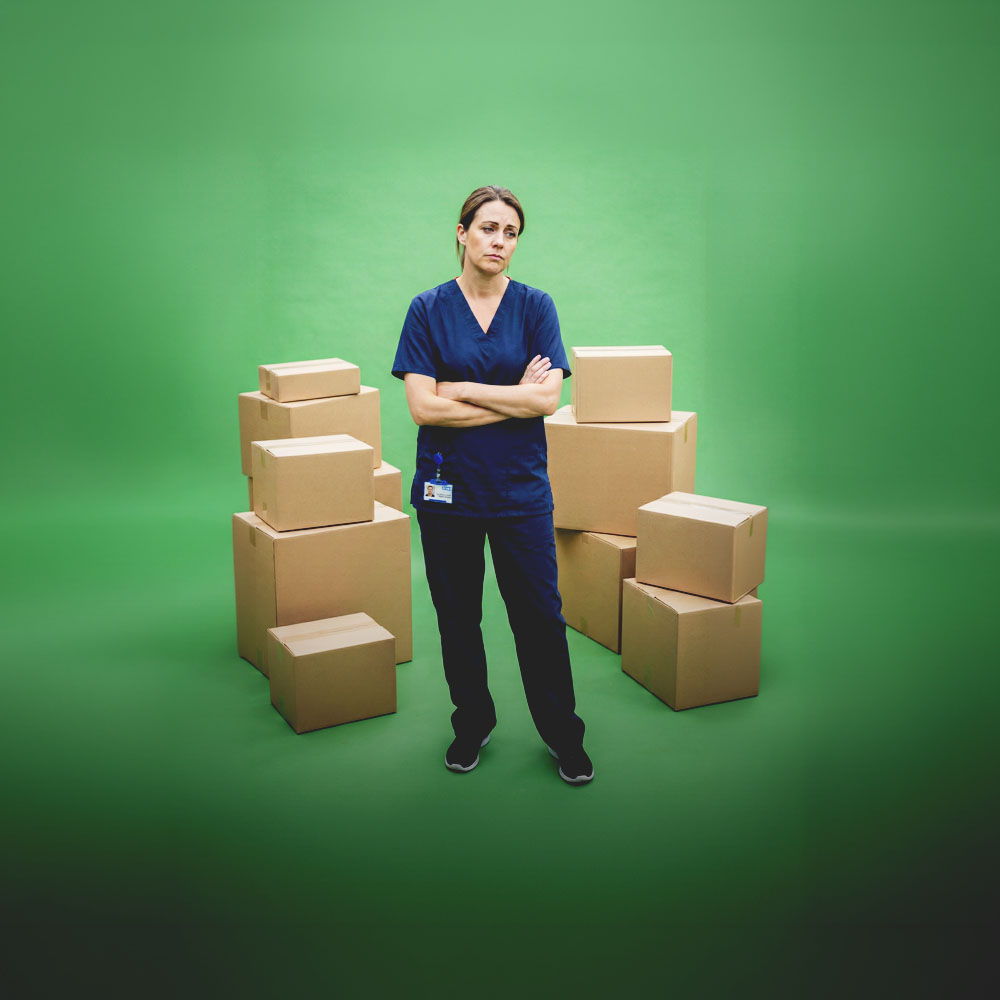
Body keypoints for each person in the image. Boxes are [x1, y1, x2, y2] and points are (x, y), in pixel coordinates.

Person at [391, 185, 593, 785]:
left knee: (539, 617)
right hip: (446, 493)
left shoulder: (536, 308)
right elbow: (423, 410)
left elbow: (550, 398)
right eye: (487, 228)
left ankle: (563, 735)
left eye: (510, 233)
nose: (498, 241)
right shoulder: (427, 310)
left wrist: (461, 388)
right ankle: (471, 724)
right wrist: (514, 400)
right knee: (457, 617)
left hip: (519, 493)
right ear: (462, 232)